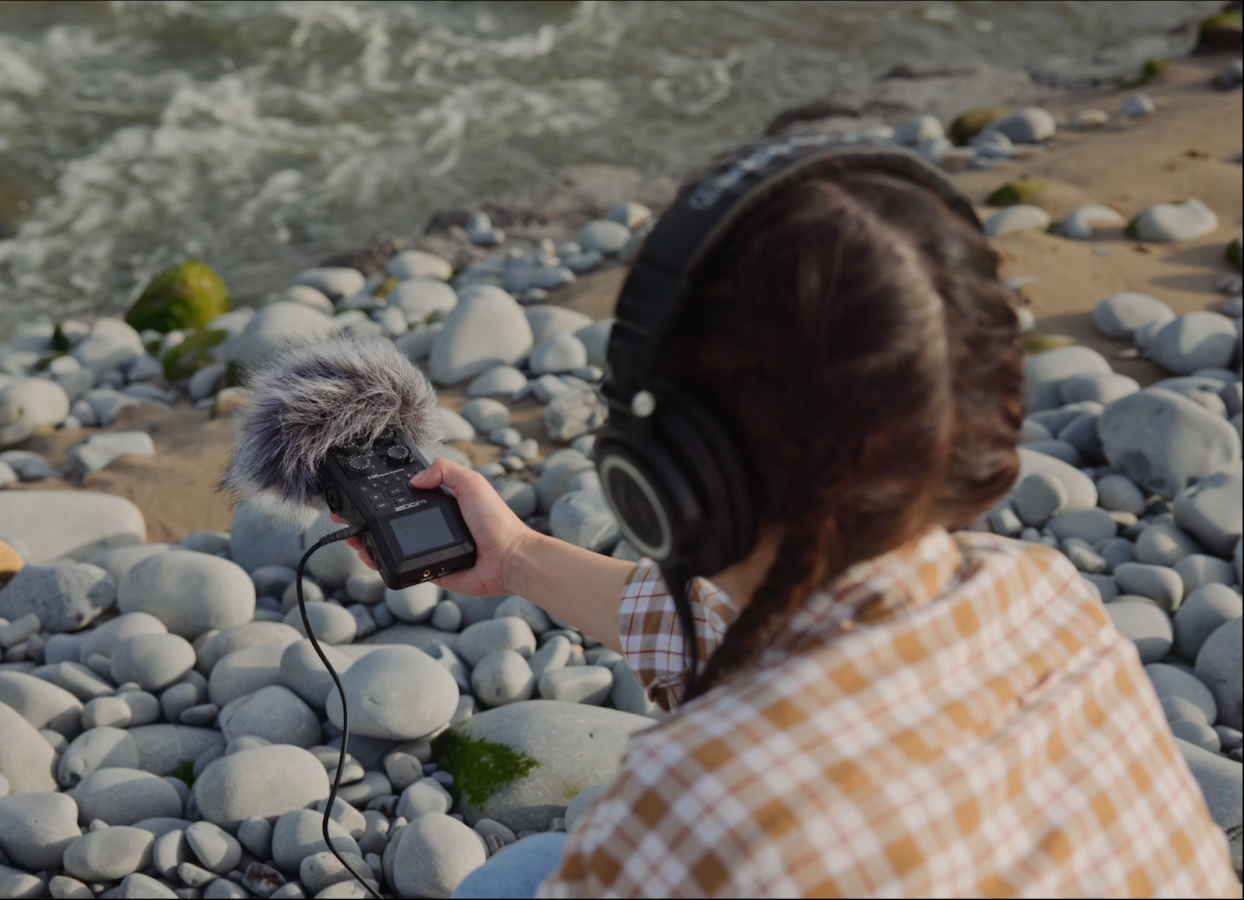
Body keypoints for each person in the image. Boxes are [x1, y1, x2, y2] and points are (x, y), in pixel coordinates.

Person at [340, 137, 1238, 897]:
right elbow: (731, 626)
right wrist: (520, 557)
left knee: (516, 875)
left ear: (667, 470)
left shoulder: (700, 802)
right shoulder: (1042, 595)